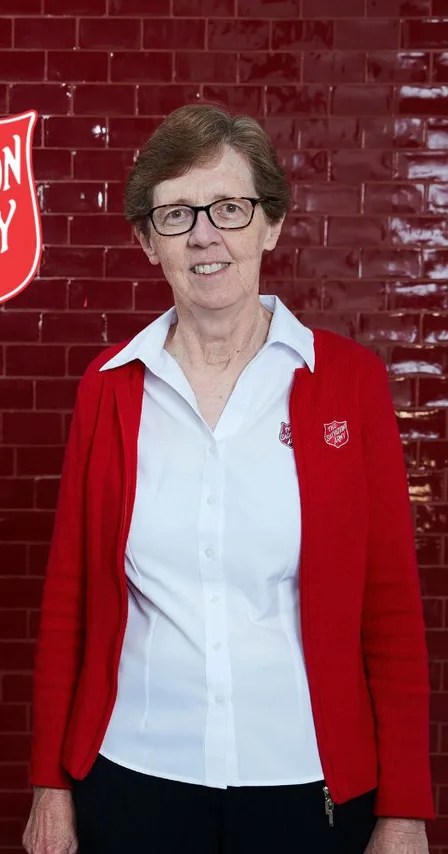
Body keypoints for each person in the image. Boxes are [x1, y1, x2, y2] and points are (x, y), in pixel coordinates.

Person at [23, 104, 433, 854]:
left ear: (269, 225)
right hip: (133, 779)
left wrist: (405, 812)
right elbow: (68, 600)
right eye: (177, 214)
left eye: (230, 208)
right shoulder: (110, 390)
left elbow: (393, 613)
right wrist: (50, 787)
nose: (205, 234)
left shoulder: (349, 384)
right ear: (150, 241)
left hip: (308, 789)